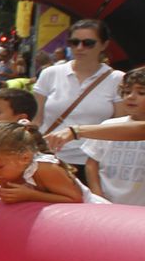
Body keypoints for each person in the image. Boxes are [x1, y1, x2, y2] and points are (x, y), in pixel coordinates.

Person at [33, 19, 123, 172]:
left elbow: (119, 125)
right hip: (50, 160)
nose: (80, 48)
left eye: (88, 43)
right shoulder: (50, 73)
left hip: (94, 163)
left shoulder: (117, 79)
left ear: (104, 45)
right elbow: (36, 119)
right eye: (74, 42)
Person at [67, 67, 145, 205]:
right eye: (126, 92)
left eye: (141, 92)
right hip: (107, 205)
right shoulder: (108, 126)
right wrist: (98, 195)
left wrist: (76, 131)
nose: (131, 96)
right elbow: (92, 163)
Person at [0, 120, 102, 205]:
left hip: (95, 217)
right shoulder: (9, 170)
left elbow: (75, 199)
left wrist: (30, 195)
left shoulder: (44, 168)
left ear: (25, 158)